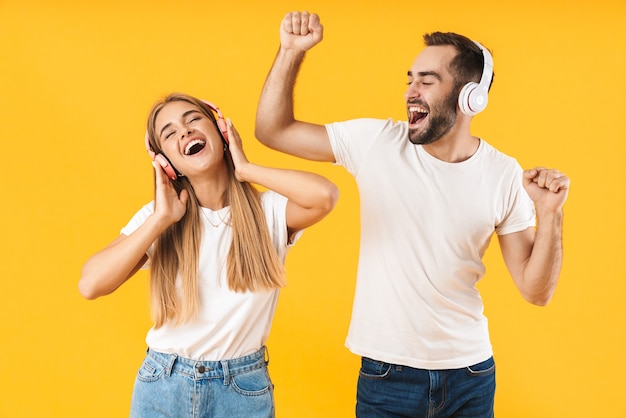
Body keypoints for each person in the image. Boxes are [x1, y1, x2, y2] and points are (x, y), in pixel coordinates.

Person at [255, 11, 570, 418]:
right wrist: (291, 52)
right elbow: (272, 130)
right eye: (410, 79)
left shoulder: (503, 173)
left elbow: (536, 290)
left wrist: (551, 215)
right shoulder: (378, 142)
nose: (410, 91)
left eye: (427, 80)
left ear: (470, 96)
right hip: (387, 376)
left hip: (470, 375)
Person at [78, 92, 338, 418]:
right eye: (170, 133)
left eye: (193, 120)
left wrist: (245, 168)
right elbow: (91, 284)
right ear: (164, 161)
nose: (184, 132)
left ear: (221, 131)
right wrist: (159, 220)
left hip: (242, 389)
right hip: (163, 383)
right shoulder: (160, 218)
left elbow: (325, 195)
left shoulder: (268, 211)